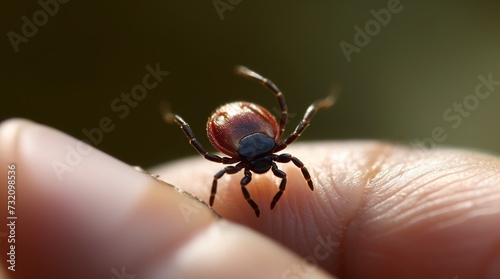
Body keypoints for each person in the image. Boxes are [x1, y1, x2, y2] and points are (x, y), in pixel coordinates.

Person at [1, 118, 499, 279]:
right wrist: (271, 196)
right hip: (246, 124)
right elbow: (263, 169)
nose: (264, 171)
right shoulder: (271, 151)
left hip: (231, 125)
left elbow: (231, 170)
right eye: (264, 168)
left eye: (268, 169)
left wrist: (276, 197)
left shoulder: (245, 163)